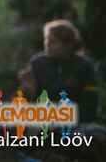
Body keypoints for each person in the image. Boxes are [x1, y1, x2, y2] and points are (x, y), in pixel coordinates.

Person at [18, 19, 105, 160]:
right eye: (46, 40)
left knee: (96, 136)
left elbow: (90, 106)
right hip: (42, 124)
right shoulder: (37, 63)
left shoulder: (84, 67)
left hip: (75, 123)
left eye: (53, 42)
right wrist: (28, 92)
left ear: (68, 45)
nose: (47, 45)